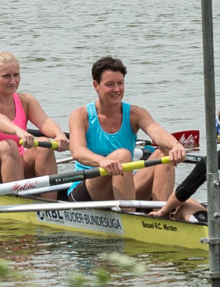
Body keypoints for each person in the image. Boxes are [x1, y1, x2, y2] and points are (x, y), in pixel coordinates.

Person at [66, 55, 183, 205]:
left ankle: (160, 215)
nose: (117, 89)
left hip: (123, 181)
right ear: (96, 85)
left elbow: (157, 131)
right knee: (122, 155)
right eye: (110, 84)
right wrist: (102, 161)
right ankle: (131, 218)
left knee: (165, 151)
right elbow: (77, 151)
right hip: (88, 189)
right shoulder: (81, 115)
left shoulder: (136, 114)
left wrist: (176, 145)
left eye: (120, 83)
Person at [0, 52, 68, 193]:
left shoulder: (26, 100)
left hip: (14, 168)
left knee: (44, 145)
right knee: (8, 146)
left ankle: (48, 209)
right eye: (6, 76)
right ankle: (19, 205)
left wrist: (59, 135)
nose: (13, 81)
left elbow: (44, 121)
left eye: (16, 75)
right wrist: (18, 131)